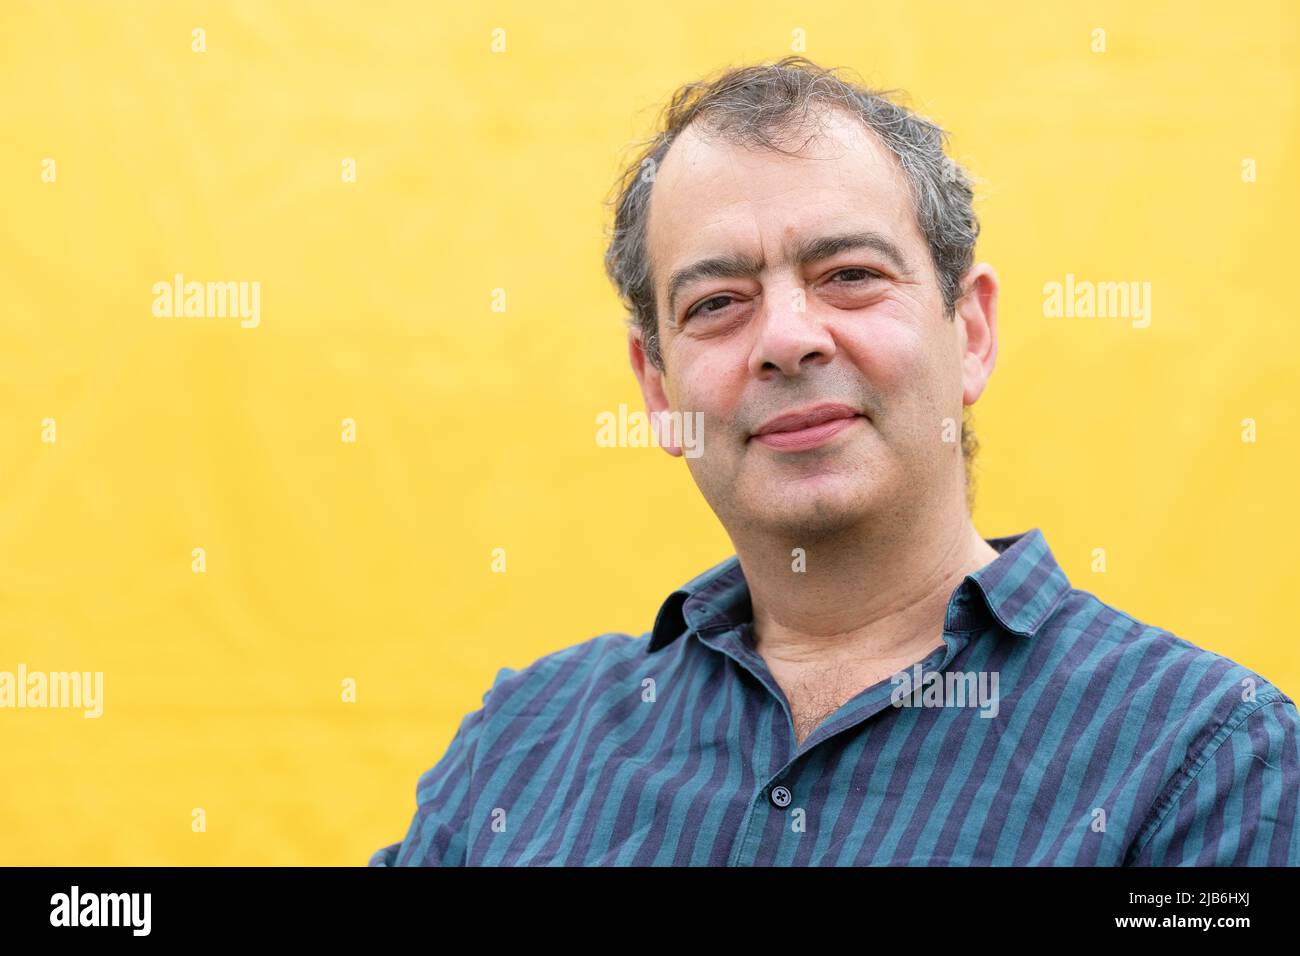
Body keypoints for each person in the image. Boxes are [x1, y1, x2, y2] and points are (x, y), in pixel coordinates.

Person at [371, 56, 1299, 866]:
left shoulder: (1203, 758)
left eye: (849, 276)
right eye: (718, 303)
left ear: (970, 331)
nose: (786, 338)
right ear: (657, 387)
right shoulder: (521, 746)